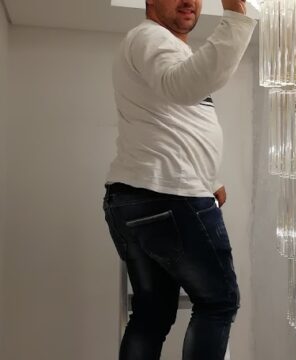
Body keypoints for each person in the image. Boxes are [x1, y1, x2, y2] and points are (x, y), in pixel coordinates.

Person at [101, 0, 255, 359]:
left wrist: (207, 177)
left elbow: (172, 125)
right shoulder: (150, 37)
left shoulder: (159, 46)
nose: (190, 2)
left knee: (153, 313)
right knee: (219, 301)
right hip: (169, 197)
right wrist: (235, 15)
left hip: (138, 197)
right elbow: (183, 87)